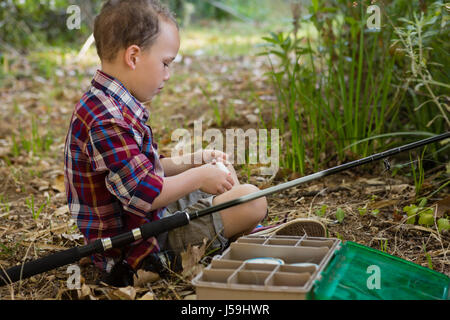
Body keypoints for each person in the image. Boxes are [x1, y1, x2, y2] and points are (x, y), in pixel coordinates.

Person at [63, 0, 268, 287]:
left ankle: (243, 231)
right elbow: (147, 193)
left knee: (233, 187)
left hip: (147, 219)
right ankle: (228, 239)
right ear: (133, 56)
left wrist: (196, 160)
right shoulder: (107, 121)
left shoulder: (109, 104)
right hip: (136, 246)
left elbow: (146, 171)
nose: (168, 75)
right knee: (252, 200)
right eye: (165, 63)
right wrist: (199, 176)